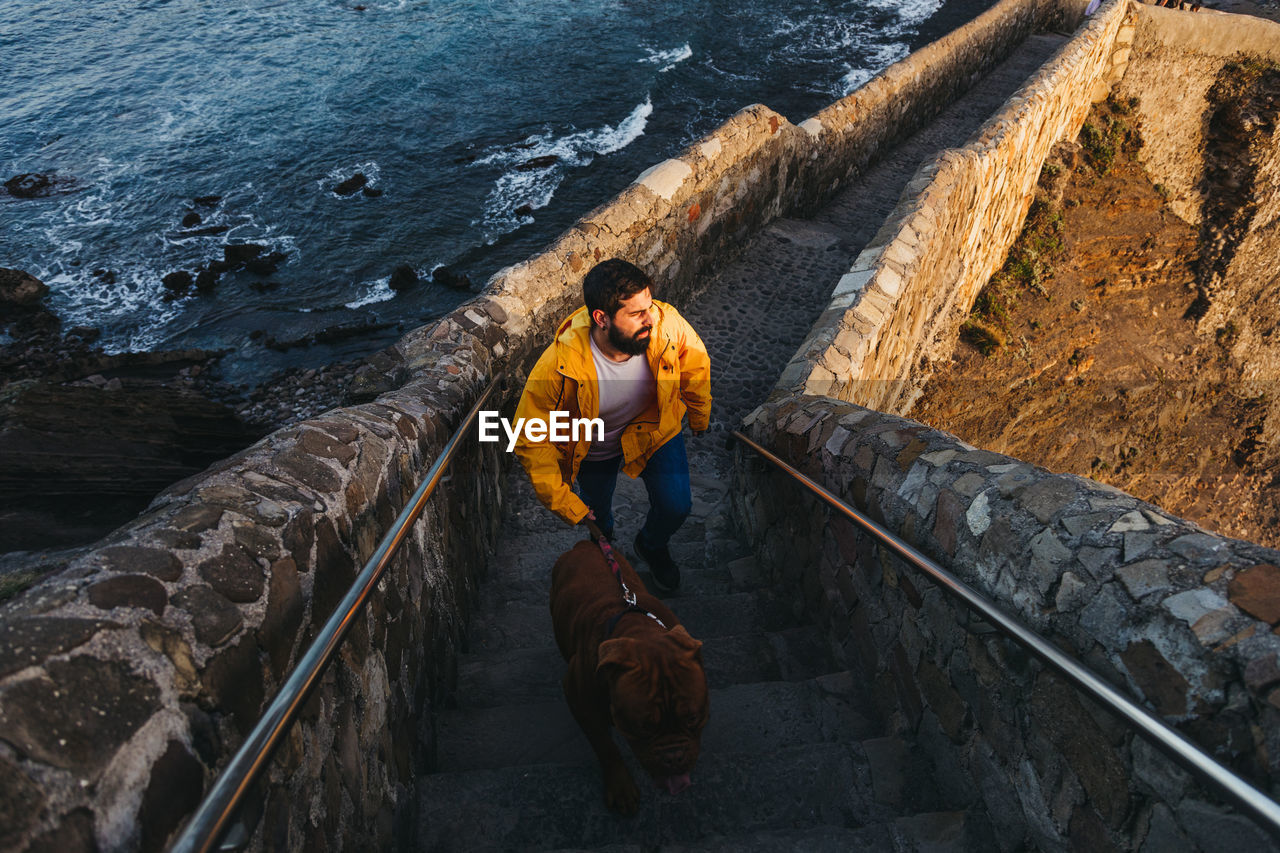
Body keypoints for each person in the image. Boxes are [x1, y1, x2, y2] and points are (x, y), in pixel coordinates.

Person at [513, 258, 712, 594]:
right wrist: (567, 504)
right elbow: (529, 435)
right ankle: (606, 556)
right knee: (596, 514)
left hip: (654, 433)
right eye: (636, 314)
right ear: (601, 319)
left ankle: (651, 545)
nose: (650, 318)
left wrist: (698, 412)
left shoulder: (666, 324)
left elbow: (695, 361)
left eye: (648, 306)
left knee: (677, 505)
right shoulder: (558, 365)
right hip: (594, 452)